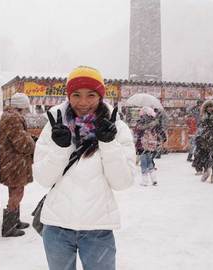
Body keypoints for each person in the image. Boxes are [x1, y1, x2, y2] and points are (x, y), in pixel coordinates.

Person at [33, 66, 135, 270]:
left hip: (98, 228)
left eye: (91, 95)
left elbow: (122, 182)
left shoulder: (116, 127)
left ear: (100, 96)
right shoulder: (55, 126)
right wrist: (60, 149)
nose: (83, 102)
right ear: (69, 96)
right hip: (57, 227)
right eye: (76, 95)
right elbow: (43, 178)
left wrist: (108, 143)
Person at [0, 93, 35, 237]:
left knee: (14, 190)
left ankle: (14, 221)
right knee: (18, 191)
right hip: (15, 162)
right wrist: (32, 143)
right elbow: (22, 142)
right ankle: (9, 226)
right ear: (22, 105)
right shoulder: (13, 118)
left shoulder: (8, 116)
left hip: (10, 161)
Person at [195, 100, 213, 183]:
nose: (210, 108)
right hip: (205, 140)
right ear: (205, 108)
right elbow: (199, 127)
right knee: (205, 157)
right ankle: (206, 171)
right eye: (208, 107)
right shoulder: (203, 116)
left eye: (211, 107)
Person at [135, 107, 160, 186]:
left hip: (142, 144)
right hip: (151, 145)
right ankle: (154, 179)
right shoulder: (154, 122)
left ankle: (145, 181)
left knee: (143, 163)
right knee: (150, 162)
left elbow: (138, 131)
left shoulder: (142, 122)